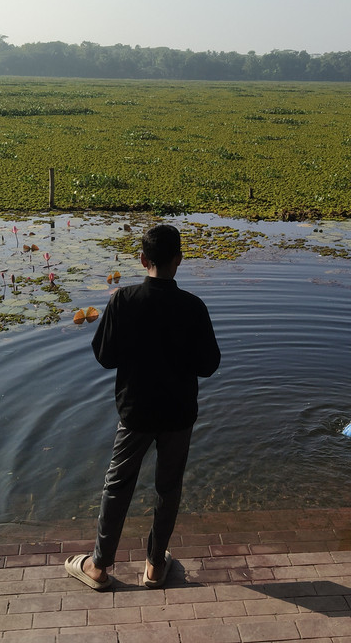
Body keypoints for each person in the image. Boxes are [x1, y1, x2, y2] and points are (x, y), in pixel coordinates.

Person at [66, 224, 221, 590]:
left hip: (135, 412)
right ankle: (154, 566)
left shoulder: (123, 301)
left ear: (142, 259)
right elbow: (209, 365)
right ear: (178, 260)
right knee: (168, 489)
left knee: (117, 485)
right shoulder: (193, 307)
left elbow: (105, 356)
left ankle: (99, 567)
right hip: (179, 414)